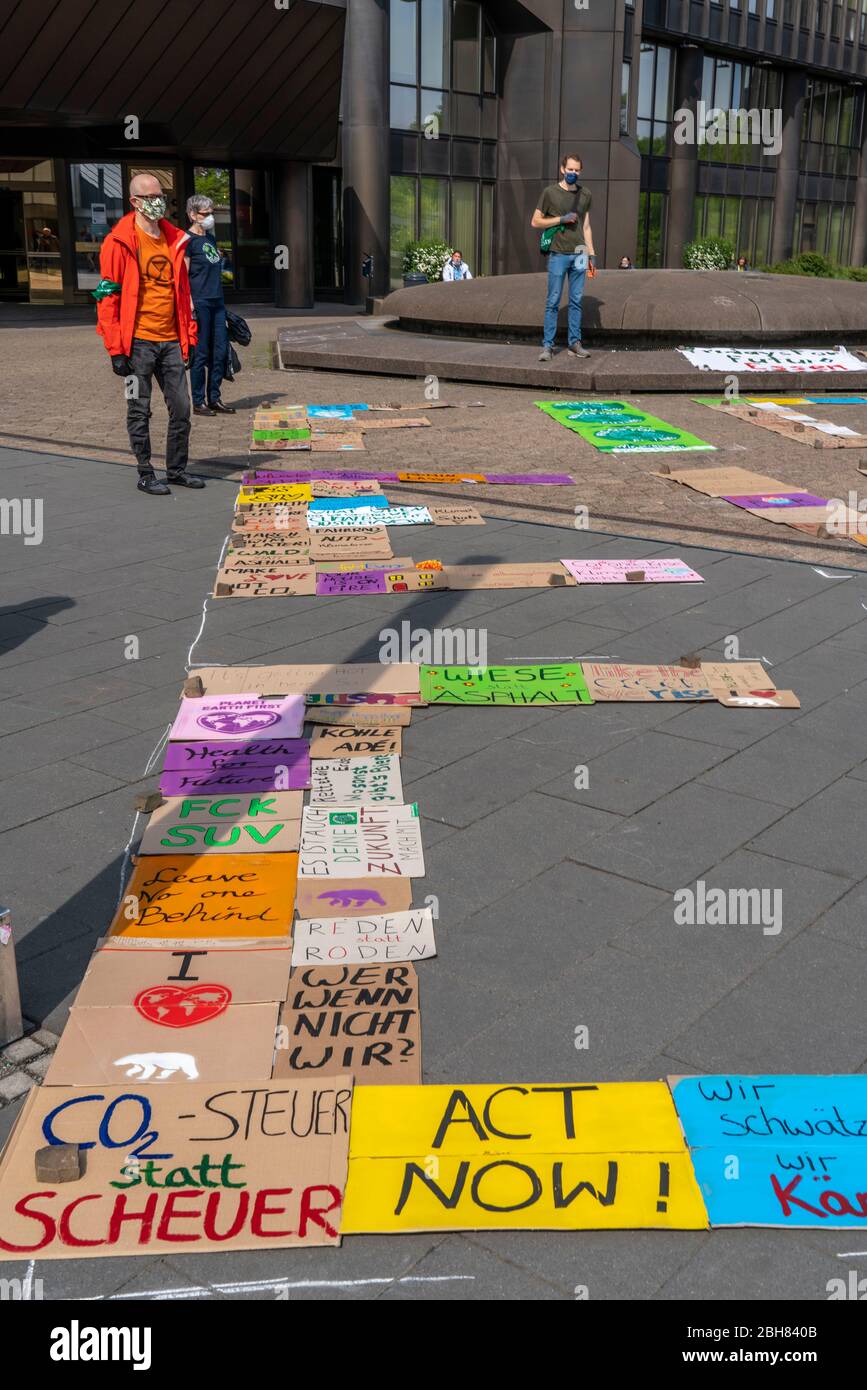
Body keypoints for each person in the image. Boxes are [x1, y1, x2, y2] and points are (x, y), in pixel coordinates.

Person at [95, 173, 204, 496]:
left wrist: (189, 338)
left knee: (182, 409)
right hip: (137, 344)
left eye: (161, 195)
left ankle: (177, 470)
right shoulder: (118, 242)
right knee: (138, 409)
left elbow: (183, 295)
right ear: (135, 201)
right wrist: (116, 349)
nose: (158, 201)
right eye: (151, 196)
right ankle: (145, 472)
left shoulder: (174, 239)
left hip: (170, 341)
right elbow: (107, 297)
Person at [531, 154, 596, 362]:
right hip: (558, 253)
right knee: (553, 300)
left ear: (580, 171)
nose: (573, 173)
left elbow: (586, 226)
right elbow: (535, 221)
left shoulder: (585, 194)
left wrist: (591, 253)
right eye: (570, 169)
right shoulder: (550, 192)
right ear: (562, 169)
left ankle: (574, 343)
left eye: (576, 170)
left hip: (579, 253)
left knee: (576, 300)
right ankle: (548, 346)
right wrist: (561, 219)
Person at [185, 195, 235, 416]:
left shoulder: (211, 239)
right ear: (192, 214)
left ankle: (214, 398)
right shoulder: (186, 241)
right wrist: (189, 304)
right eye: (205, 214)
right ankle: (199, 402)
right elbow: (182, 276)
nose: (210, 217)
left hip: (217, 302)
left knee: (220, 351)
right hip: (200, 303)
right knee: (201, 353)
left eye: (211, 213)